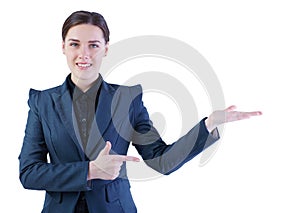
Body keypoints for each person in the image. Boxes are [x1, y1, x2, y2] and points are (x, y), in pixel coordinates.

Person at [18, 10, 262, 213]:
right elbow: (29, 173)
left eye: (94, 45)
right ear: (63, 47)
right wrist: (91, 170)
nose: (84, 54)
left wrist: (208, 124)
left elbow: (161, 160)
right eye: (75, 44)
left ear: (106, 48)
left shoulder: (127, 99)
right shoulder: (41, 102)